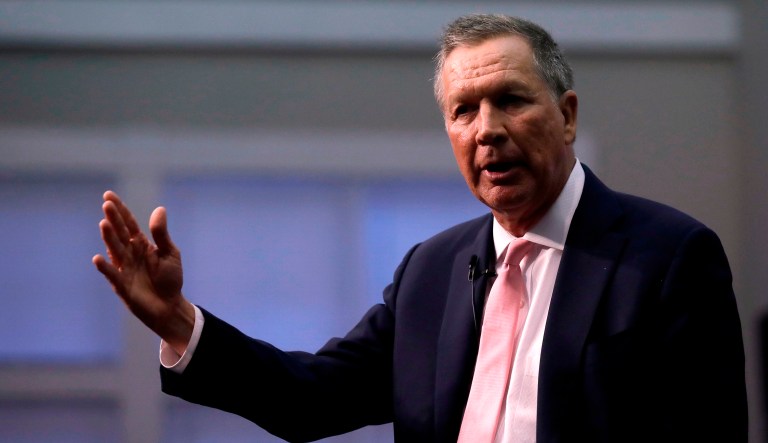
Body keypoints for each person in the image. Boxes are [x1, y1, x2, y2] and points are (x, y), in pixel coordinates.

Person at [93, 14, 747, 443]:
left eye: (511, 100)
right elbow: (309, 398)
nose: (487, 128)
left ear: (567, 115)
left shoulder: (668, 257)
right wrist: (180, 323)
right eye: (465, 110)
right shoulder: (429, 272)